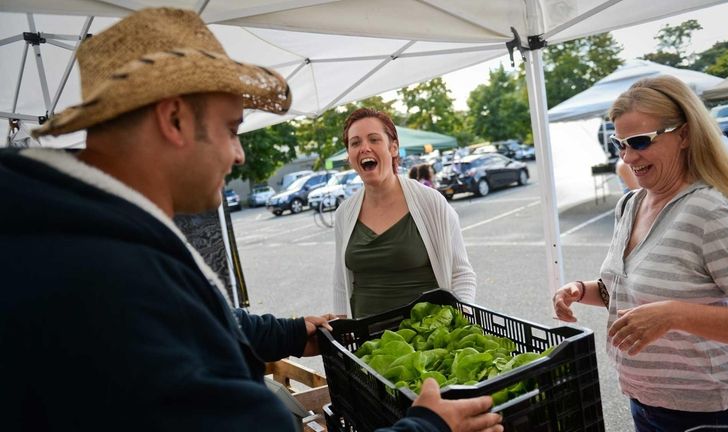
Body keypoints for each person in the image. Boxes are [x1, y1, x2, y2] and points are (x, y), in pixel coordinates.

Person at [0, 9, 502, 432]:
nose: (240, 155)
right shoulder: (103, 278)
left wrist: (283, 333)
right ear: (174, 120)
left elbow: (199, 313)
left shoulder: (85, 232)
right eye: (232, 129)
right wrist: (429, 427)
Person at [552, 75, 728, 431]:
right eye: (619, 144)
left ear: (683, 135)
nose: (628, 156)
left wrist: (674, 315)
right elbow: (627, 291)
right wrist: (580, 290)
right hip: (646, 401)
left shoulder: (711, 213)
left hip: (705, 412)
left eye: (640, 141)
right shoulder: (631, 204)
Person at [333, 108, 476, 318]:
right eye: (355, 143)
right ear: (350, 156)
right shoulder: (344, 213)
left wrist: (458, 323)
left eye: (374, 139)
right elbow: (341, 285)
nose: (364, 148)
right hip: (370, 347)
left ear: (393, 148)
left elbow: (461, 274)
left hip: (428, 342)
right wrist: (341, 330)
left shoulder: (431, 202)